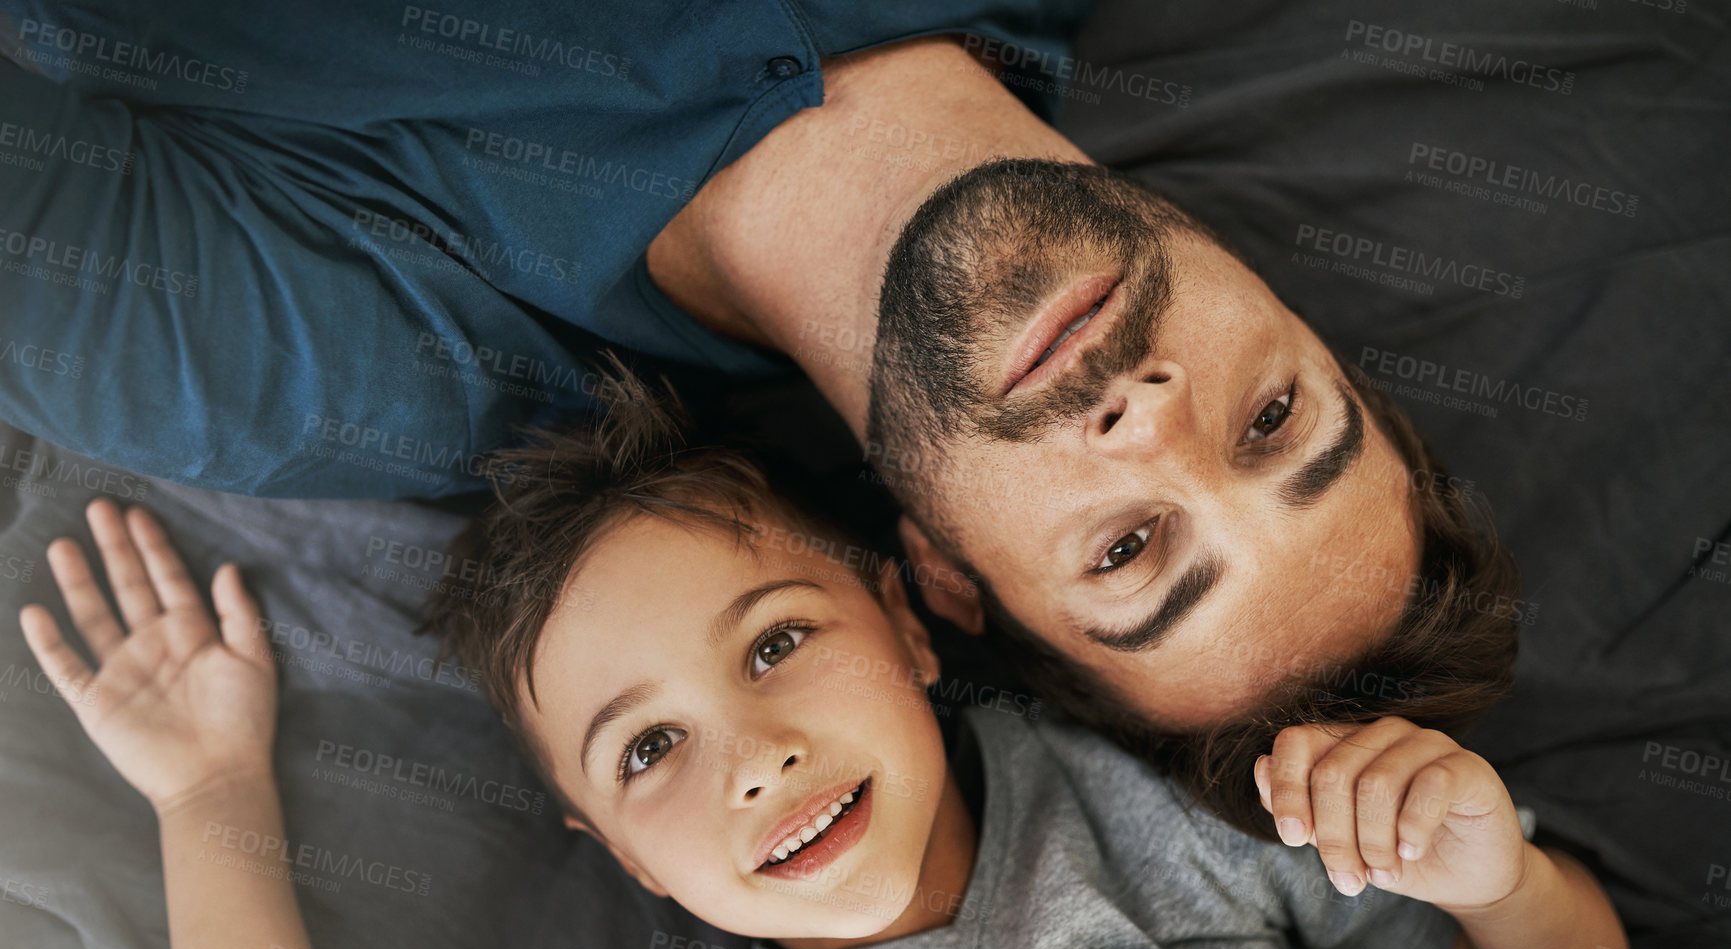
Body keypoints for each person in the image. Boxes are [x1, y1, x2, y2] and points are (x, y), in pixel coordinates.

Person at [18, 373, 1629, 949]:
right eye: (650, 747)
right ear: (621, 851)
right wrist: (210, 797)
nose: (755, 758)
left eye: (778, 643)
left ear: (912, 631)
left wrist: (1494, 874)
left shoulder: (1161, 806)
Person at [0, 12, 1523, 828]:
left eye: (1131, 547)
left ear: (939, 582)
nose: (1147, 419)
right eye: (1269, 421)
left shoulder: (345, 361)